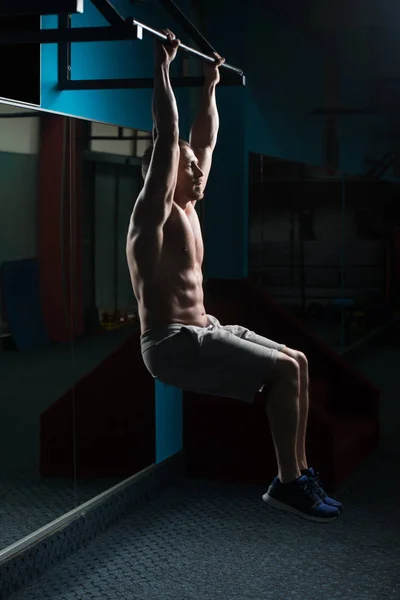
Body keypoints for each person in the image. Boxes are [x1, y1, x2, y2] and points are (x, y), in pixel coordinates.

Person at [126, 30, 343, 523]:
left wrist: (209, 85)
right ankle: (288, 485)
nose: (200, 168)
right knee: (283, 372)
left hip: (203, 329)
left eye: (198, 164)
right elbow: (168, 134)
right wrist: (162, 65)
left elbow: (203, 138)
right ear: (162, 173)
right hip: (171, 343)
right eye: (189, 165)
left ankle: (300, 474)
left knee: (298, 361)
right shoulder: (151, 216)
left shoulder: (189, 204)